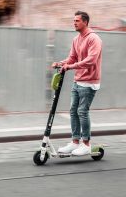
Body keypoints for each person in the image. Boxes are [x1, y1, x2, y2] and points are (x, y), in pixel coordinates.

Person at [52, 11, 102, 156]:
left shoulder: (94, 39)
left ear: (85, 22)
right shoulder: (76, 39)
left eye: (77, 21)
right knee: (73, 111)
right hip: (78, 80)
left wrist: (71, 67)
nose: (74, 23)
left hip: (89, 81)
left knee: (82, 111)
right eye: (73, 20)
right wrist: (60, 63)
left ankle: (86, 144)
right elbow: (72, 58)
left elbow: (91, 60)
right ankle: (75, 142)